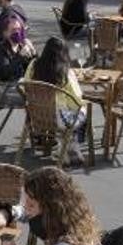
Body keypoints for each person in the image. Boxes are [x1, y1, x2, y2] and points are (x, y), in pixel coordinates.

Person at [24, 38, 87, 167]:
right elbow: (76, 99)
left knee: (70, 111)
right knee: (83, 109)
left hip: (37, 116)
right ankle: (73, 146)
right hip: (59, 119)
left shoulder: (33, 65)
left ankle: (64, 148)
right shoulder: (65, 72)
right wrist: (84, 104)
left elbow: (26, 84)